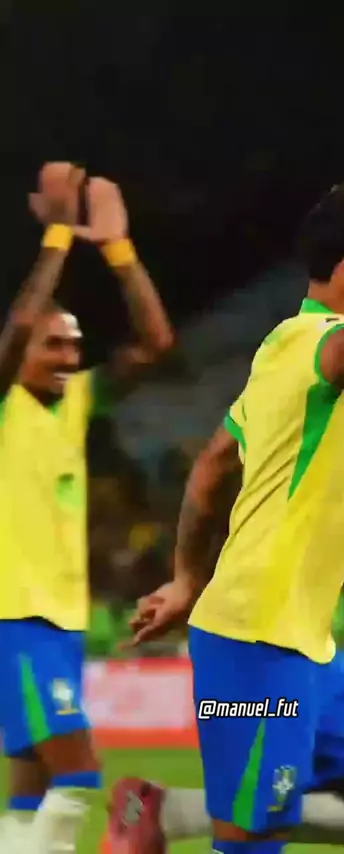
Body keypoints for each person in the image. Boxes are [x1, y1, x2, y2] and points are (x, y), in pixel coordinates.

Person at [108, 183, 344, 854]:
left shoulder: (286, 356)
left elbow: (213, 465)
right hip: (254, 641)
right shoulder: (315, 344)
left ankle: (164, 811)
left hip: (303, 642)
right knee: (252, 838)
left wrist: (187, 579)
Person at [0, 162, 174, 853]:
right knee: (78, 774)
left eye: (75, 344)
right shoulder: (4, 406)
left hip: (59, 619)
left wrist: (118, 250)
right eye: (54, 345)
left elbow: (157, 345)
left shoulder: (73, 403)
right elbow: (20, 320)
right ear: (19, 353)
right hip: (17, 616)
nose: (70, 357)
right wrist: (58, 237)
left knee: (31, 786)